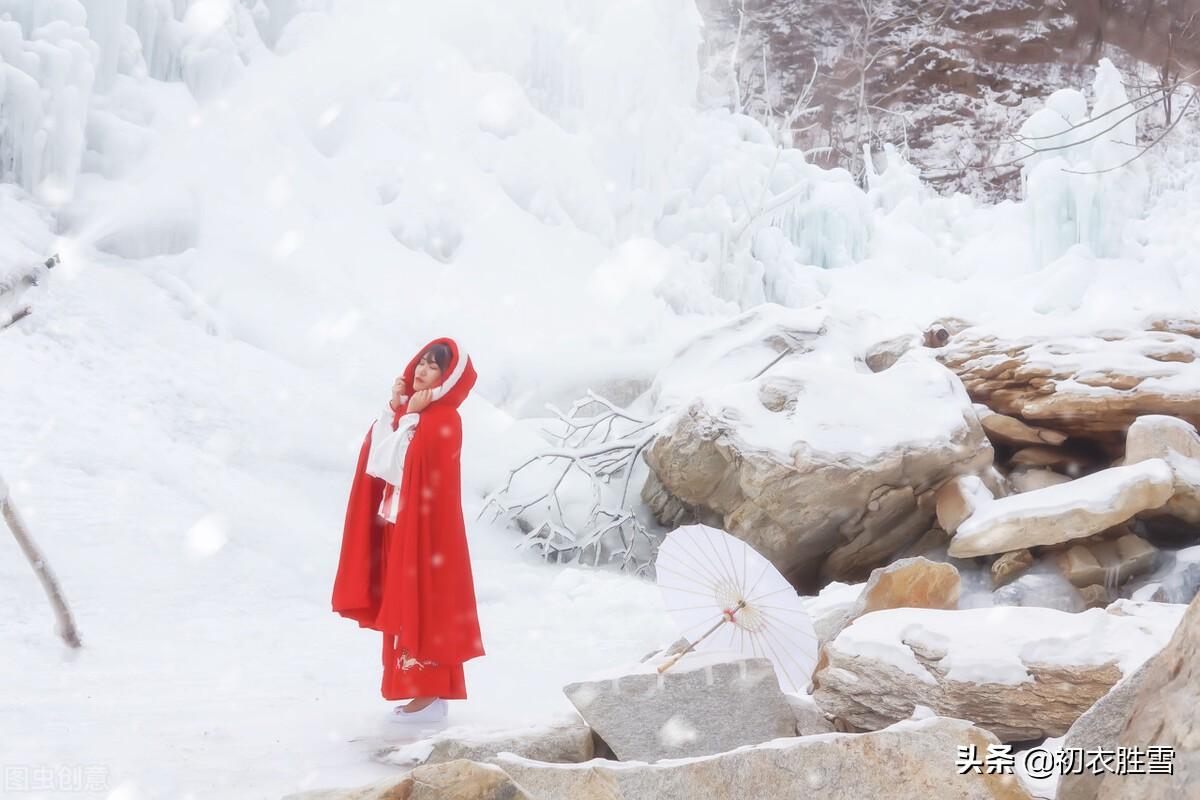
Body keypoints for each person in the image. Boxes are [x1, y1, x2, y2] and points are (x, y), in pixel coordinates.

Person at [331, 337, 485, 724]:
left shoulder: (444, 419)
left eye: (434, 367)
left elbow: (399, 466)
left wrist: (411, 417)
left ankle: (431, 694)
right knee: (402, 605)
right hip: (400, 524)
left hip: (425, 533)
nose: (421, 371)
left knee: (424, 605)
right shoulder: (413, 413)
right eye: (422, 362)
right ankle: (414, 690)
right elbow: (375, 458)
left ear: (448, 378)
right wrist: (393, 410)